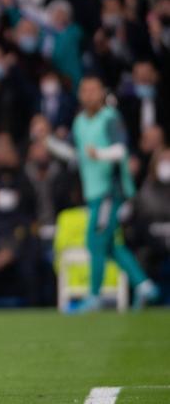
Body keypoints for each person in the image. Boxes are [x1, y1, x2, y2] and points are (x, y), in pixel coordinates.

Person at [46, 76, 159, 312]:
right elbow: (77, 155)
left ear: (101, 93)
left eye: (93, 90)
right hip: (93, 191)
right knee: (108, 245)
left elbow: (120, 150)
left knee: (95, 241)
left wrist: (99, 154)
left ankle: (95, 296)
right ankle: (144, 285)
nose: (89, 95)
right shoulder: (79, 123)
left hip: (110, 190)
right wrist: (49, 143)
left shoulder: (110, 118)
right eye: (84, 90)